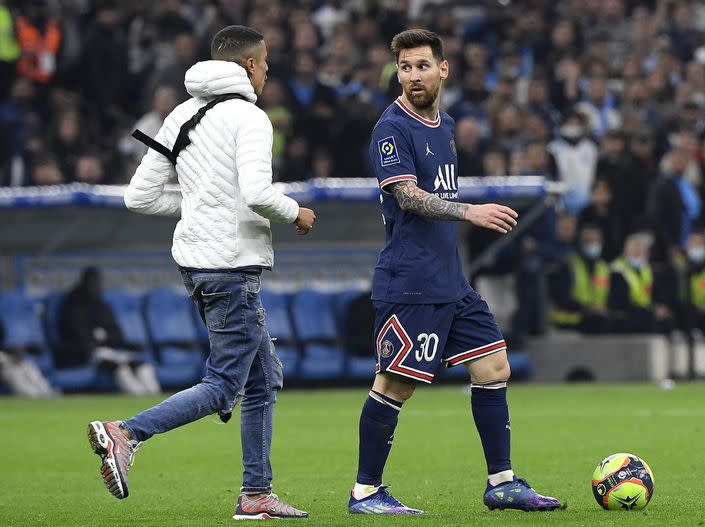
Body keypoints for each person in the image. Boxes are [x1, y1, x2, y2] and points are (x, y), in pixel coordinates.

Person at [86, 26, 315, 520]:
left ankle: (256, 493)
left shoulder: (181, 114)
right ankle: (126, 432)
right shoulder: (251, 117)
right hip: (232, 267)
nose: (269, 70)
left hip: (197, 264)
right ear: (251, 65)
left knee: (262, 379)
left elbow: (138, 196)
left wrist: (199, 206)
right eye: (267, 62)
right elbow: (256, 194)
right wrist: (295, 211)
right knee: (224, 385)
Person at [349, 29, 561, 515]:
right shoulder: (391, 129)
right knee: (395, 384)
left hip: (450, 278)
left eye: (422, 65)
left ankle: (502, 483)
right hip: (411, 280)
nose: (413, 76)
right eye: (405, 67)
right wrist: (469, 212)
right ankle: (365, 491)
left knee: (493, 366)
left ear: (443, 69)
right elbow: (406, 196)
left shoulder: (443, 126)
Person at [57, 267, 160, 396]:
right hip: (88, 353)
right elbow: (75, 335)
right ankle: (139, 398)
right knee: (119, 367)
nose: (97, 286)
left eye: (98, 282)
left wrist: (107, 338)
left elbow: (117, 334)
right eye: (93, 282)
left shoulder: (101, 305)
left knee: (142, 365)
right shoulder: (73, 305)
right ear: (85, 282)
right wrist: (95, 340)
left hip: (113, 350)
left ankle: (154, 397)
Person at [549, 224, 612, 333]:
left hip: (596, 318)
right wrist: (586, 309)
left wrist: (602, 309)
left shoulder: (603, 267)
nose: (593, 244)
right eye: (589, 241)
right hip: (571, 318)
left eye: (596, 241)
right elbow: (561, 297)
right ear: (581, 243)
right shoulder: (569, 265)